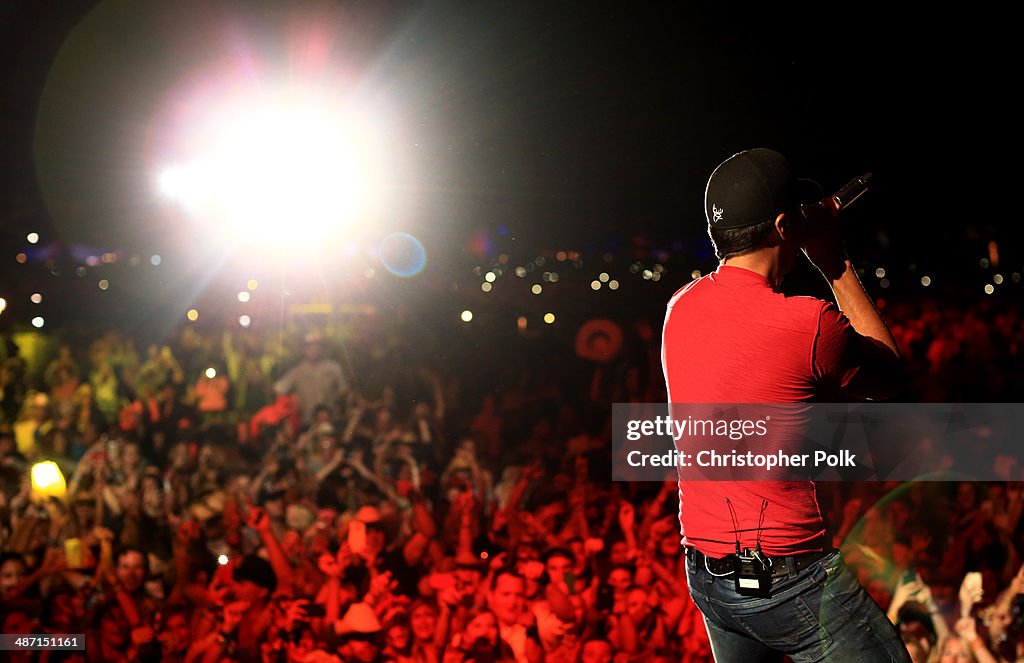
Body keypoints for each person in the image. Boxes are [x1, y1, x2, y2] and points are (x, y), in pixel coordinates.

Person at [661, 148, 907, 661]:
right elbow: (888, 376)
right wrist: (833, 262)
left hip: (706, 574)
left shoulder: (678, 308)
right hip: (787, 578)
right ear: (782, 225)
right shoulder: (808, 322)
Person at [274, 331, 349, 425]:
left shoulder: (333, 368)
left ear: (322, 349)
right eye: (309, 347)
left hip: (332, 420)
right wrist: (291, 401)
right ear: (304, 350)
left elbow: (344, 391)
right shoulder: (297, 371)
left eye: (317, 347)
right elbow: (278, 389)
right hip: (309, 421)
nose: (313, 350)